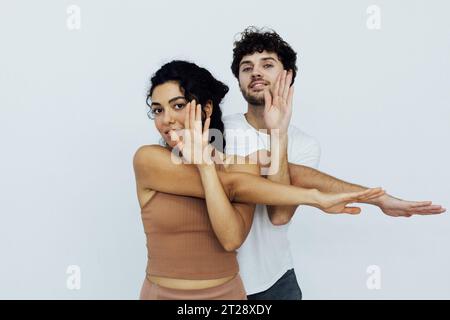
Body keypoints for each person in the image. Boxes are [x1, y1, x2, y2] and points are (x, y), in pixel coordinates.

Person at [223, 26, 446, 300]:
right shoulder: (217, 131)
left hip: (276, 284)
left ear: (287, 75)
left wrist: (277, 133)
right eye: (247, 68)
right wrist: (378, 198)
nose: (255, 72)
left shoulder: (304, 144)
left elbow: (279, 215)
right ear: (239, 80)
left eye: (267, 64)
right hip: (219, 283)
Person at [133, 60, 384, 300]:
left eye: (178, 105)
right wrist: (315, 198)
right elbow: (234, 186)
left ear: (206, 108)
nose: (166, 119)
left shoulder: (240, 167)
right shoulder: (148, 159)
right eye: (157, 110)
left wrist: (207, 167)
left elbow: (231, 239)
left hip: (227, 295)